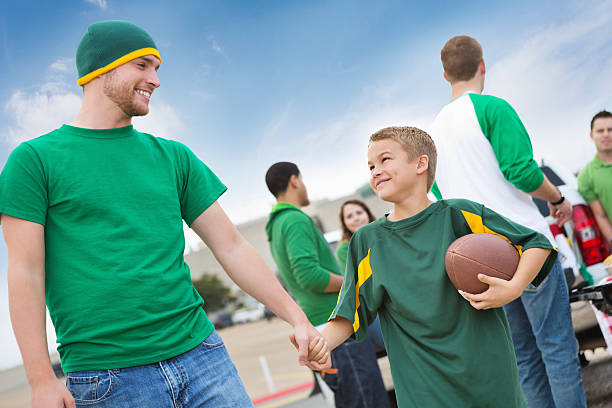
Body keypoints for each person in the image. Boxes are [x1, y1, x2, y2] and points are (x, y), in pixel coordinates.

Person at [0, 20, 325, 408]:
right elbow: (25, 272)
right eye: (143, 65)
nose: (155, 79)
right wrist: (40, 380)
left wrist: (297, 317)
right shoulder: (34, 161)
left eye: (157, 68)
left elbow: (232, 246)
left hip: (203, 357)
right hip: (107, 378)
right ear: (101, 68)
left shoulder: (174, 157)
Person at [307, 126, 557, 407]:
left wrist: (514, 287)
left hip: (490, 375)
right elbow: (350, 313)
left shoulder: (460, 214)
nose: (376, 171)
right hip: (424, 389)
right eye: (371, 165)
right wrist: (319, 344)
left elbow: (537, 244)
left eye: (385, 160)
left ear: (420, 164)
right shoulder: (366, 241)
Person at [429, 35, 586, 407]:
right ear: (483, 66)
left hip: (480, 257)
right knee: (557, 349)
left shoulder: (433, 133)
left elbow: (438, 196)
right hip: (525, 249)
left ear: (445, 74)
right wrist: (558, 198)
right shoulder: (493, 108)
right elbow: (521, 172)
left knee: (524, 359)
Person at [265, 162, 390, 408]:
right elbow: (309, 275)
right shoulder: (294, 220)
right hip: (336, 326)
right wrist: (354, 284)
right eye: (302, 179)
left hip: (325, 327)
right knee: (370, 401)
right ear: (294, 181)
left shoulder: (278, 224)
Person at [578, 110, 612, 250]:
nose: (606, 134)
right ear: (592, 135)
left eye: (610, 129)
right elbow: (601, 216)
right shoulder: (586, 176)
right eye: (600, 131)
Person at [336, 199, 376, 272]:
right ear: (344, 223)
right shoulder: (344, 249)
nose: (356, 218)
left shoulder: (383, 235)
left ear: (368, 214)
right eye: (349, 216)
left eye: (359, 213)